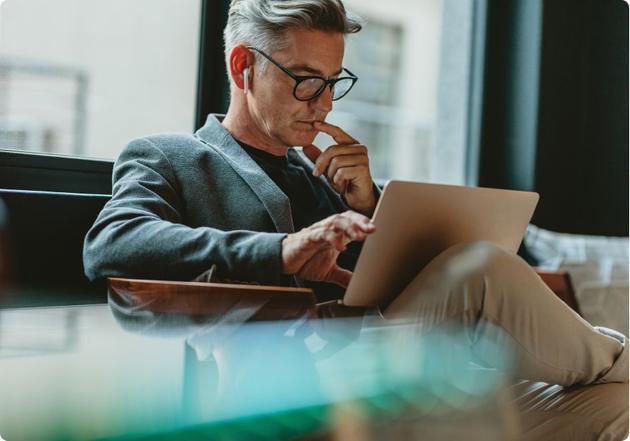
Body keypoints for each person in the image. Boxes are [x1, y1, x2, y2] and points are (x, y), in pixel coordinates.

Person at [83, 0, 628, 439]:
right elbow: (112, 242)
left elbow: (391, 286)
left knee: (616, 405)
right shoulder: (169, 157)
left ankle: (615, 365)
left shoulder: (329, 178)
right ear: (242, 66)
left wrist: (370, 207)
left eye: (333, 81)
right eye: (304, 80)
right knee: (482, 267)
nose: (323, 104)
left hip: (409, 373)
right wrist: (280, 252)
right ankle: (617, 353)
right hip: (303, 384)